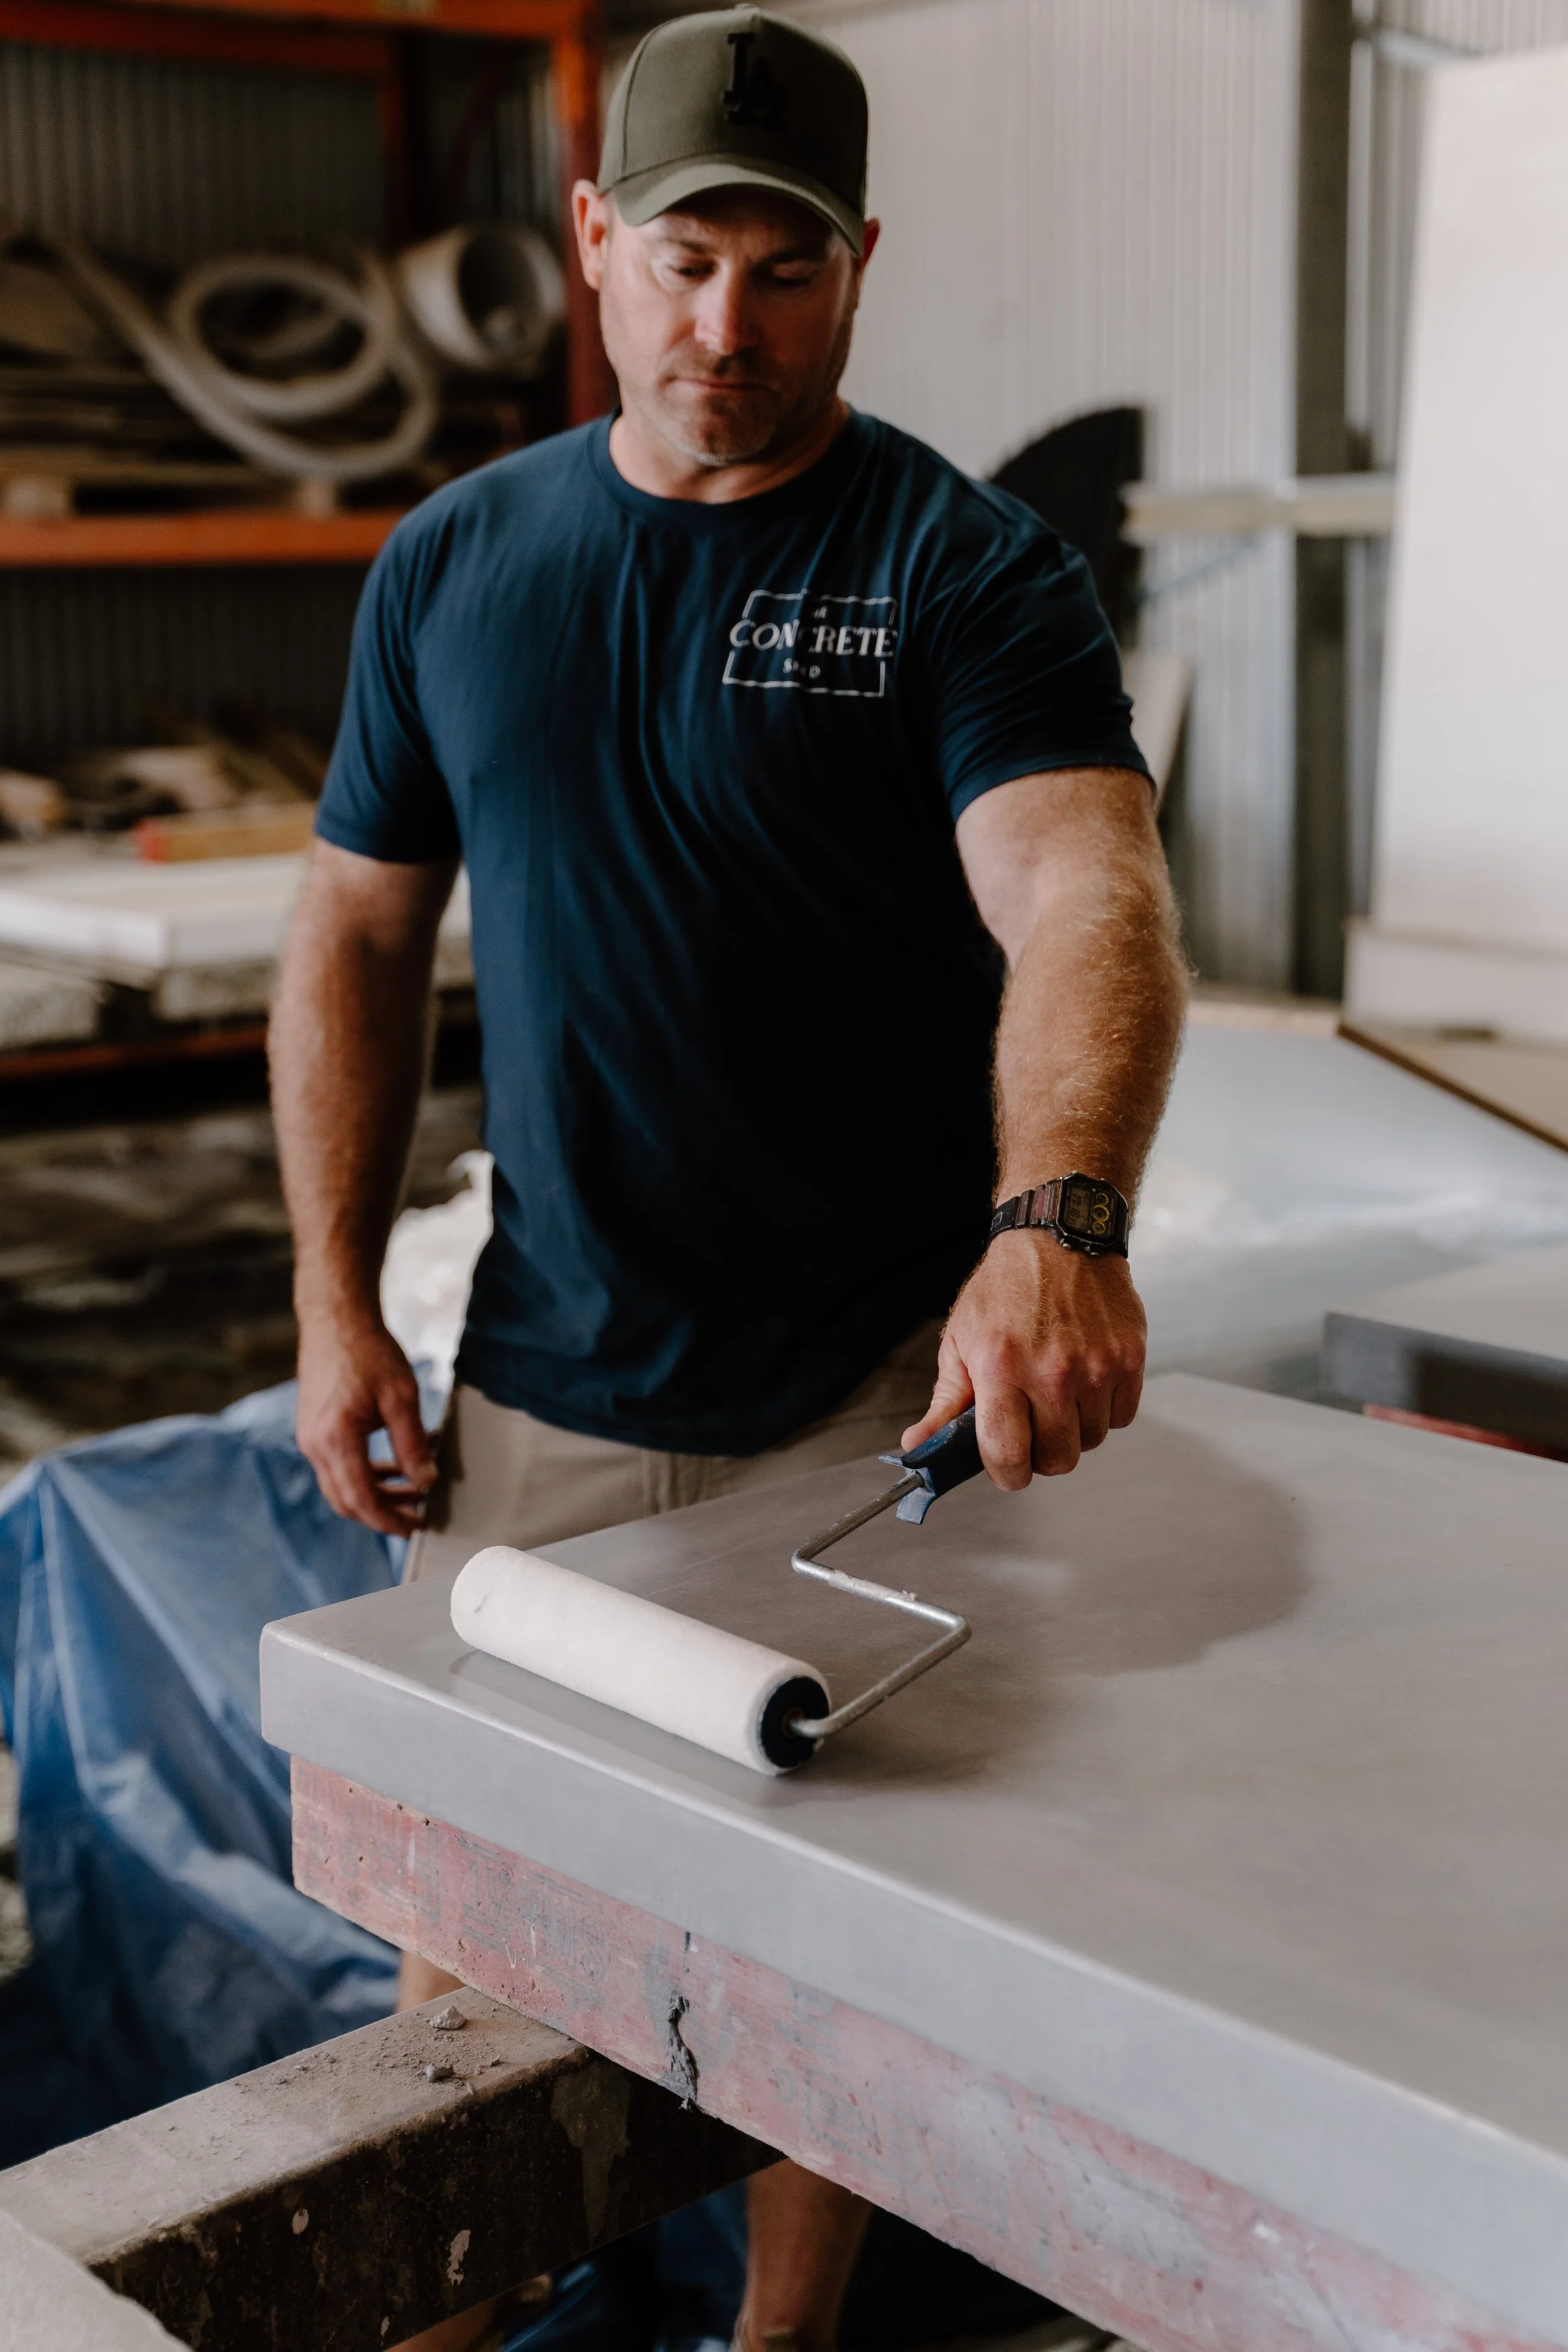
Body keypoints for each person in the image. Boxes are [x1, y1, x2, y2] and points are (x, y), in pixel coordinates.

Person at [270, 8, 1187, 2349]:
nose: (726, 326)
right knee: (468, 1950)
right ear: (592, 246)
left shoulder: (963, 570)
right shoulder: (458, 561)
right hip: (551, 1378)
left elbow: (1086, 894)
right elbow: (356, 927)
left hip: (865, 1399)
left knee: (823, 1956)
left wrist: (1052, 1222)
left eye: (787, 269)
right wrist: (330, 1294)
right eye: (685, 259)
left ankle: (778, 2341)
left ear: (860, 266)